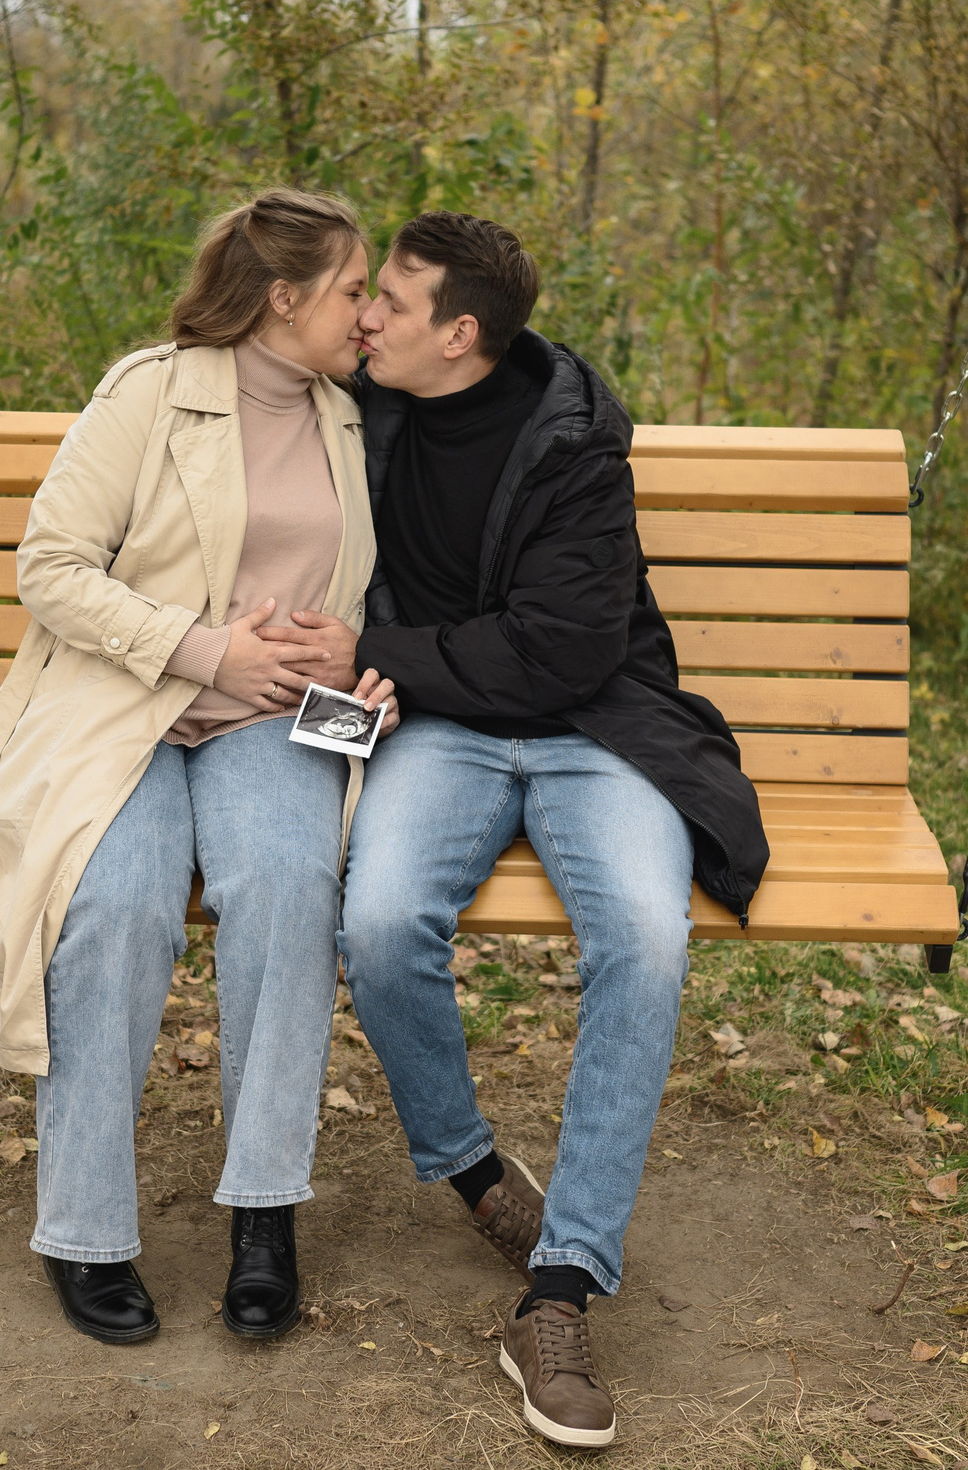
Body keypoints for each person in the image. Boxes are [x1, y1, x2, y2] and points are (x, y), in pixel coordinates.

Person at [270, 211, 768, 1449]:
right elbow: (240, 354)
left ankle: (559, 1287)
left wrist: (377, 651)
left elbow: (566, 647)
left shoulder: (577, 446)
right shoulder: (363, 407)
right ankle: (482, 1176)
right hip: (438, 725)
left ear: (462, 333)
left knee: (646, 939)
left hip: (595, 729)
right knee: (379, 922)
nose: (366, 313)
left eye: (390, 296)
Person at [0, 190, 398, 1346]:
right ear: (283, 298)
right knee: (123, 904)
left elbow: (382, 593)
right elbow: (49, 565)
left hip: (280, 723)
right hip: (124, 709)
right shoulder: (152, 391)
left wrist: (374, 677)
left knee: (289, 887)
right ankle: (84, 1229)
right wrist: (203, 650)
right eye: (353, 289)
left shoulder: (357, 413)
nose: (370, 313)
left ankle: (264, 1213)